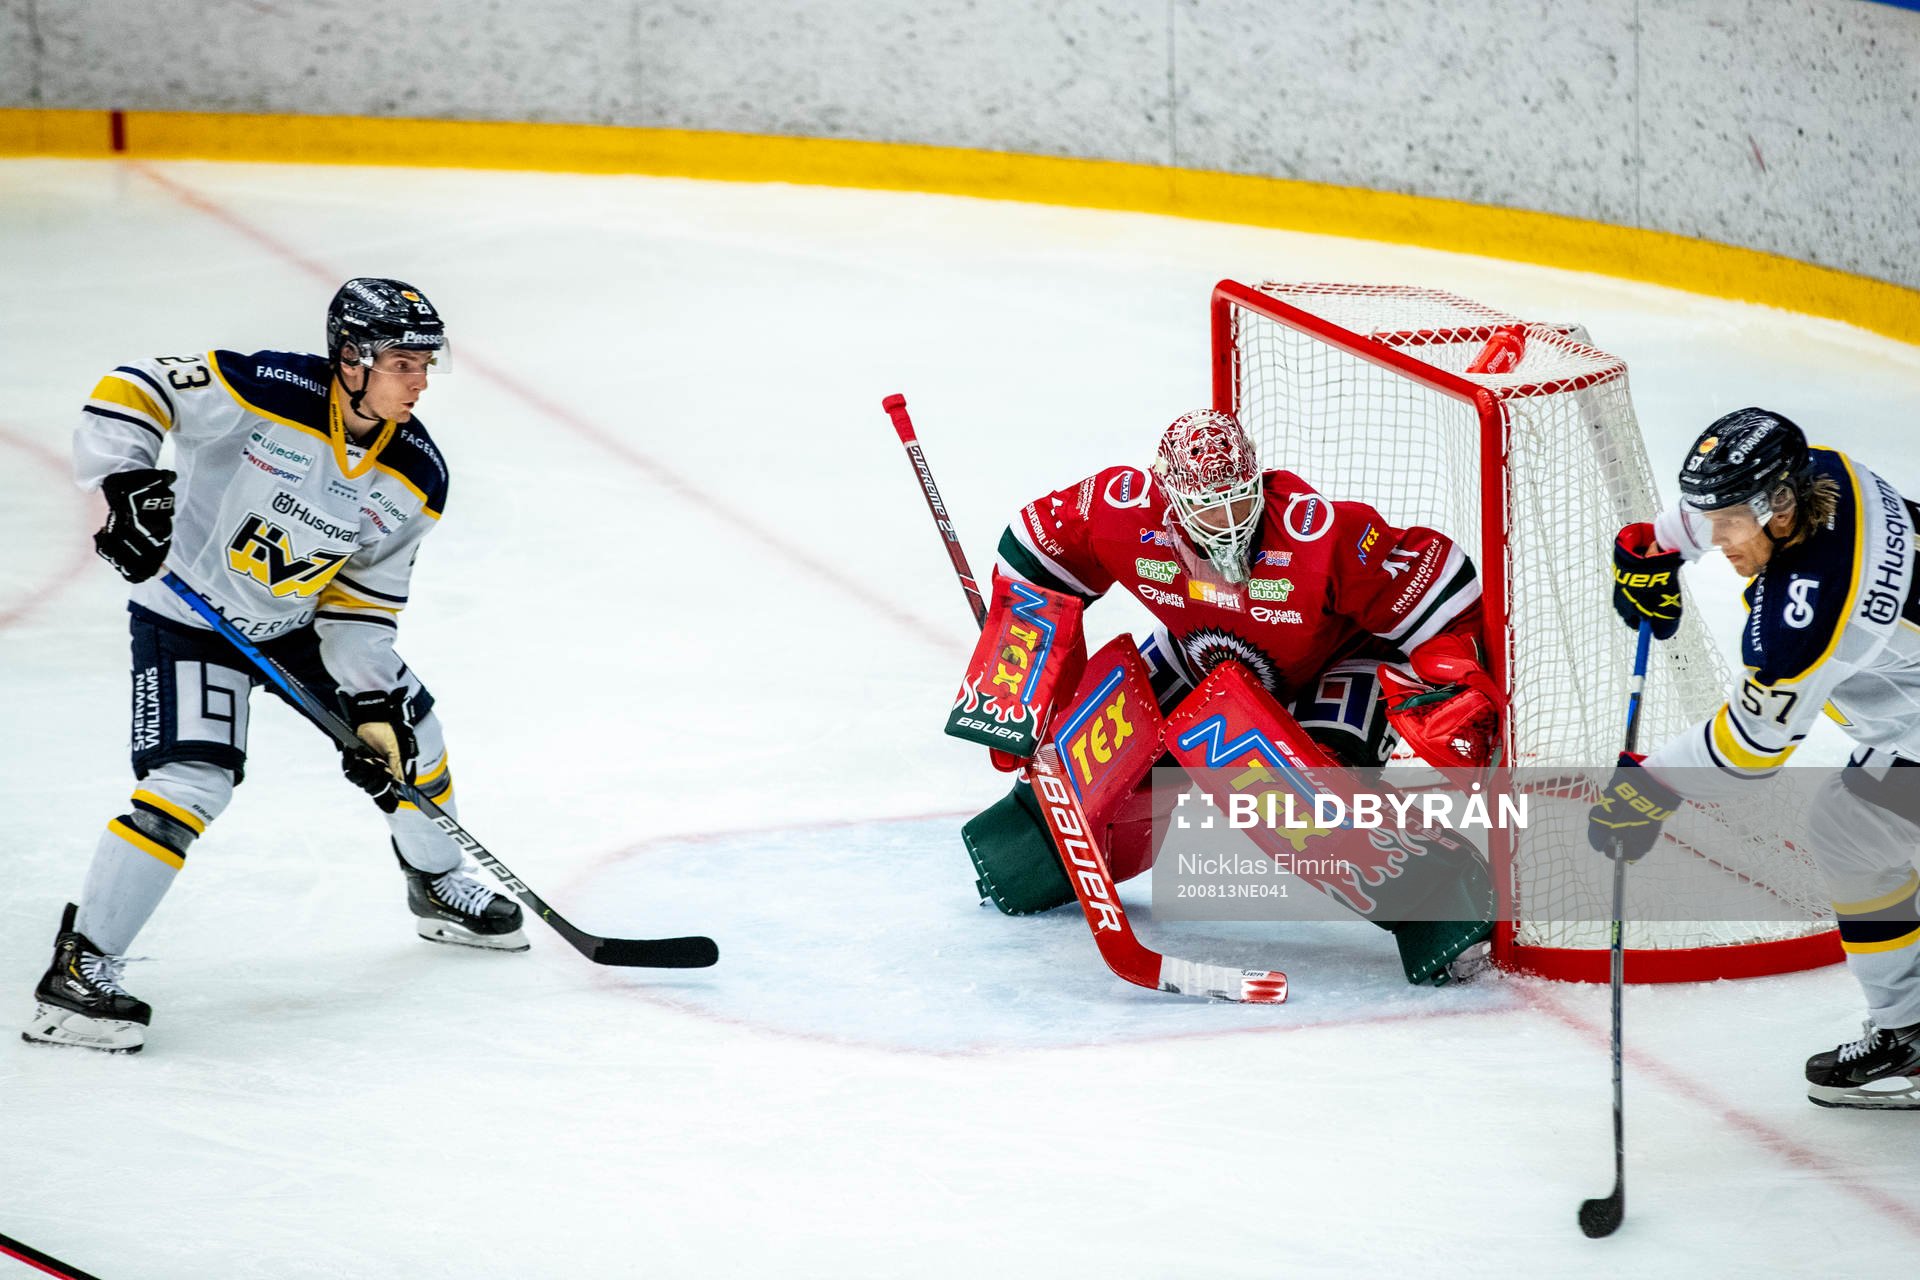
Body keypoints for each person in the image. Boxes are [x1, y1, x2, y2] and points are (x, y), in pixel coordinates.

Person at [23, 278, 525, 1056]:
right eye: (403, 362)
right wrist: (127, 484)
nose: (421, 380)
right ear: (352, 360)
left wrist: (370, 706)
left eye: (428, 362)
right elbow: (135, 386)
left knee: (409, 730)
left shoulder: (418, 476)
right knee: (190, 783)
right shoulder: (266, 389)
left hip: (298, 627)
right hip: (188, 617)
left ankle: (436, 882)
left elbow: (360, 609)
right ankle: (80, 970)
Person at [961, 408, 1505, 985]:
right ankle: (1031, 855)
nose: (1227, 523)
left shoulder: (1317, 535)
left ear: (1258, 482)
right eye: (1206, 507)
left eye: (1240, 500)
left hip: (1336, 663)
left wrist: (1449, 673)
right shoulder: (1123, 511)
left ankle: (1442, 901)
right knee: (1088, 761)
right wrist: (1016, 685)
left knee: (1307, 799)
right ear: (1170, 498)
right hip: (1198, 652)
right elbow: (1036, 550)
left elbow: (1440, 583)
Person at [1595, 406, 1920, 1108]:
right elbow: (1714, 513)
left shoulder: (1811, 618)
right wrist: (1657, 545)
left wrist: (1650, 788)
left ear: (1777, 505)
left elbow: (1750, 750)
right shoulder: (1824, 471)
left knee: (1853, 827)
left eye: (1728, 523)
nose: (1717, 540)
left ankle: (1910, 1039)